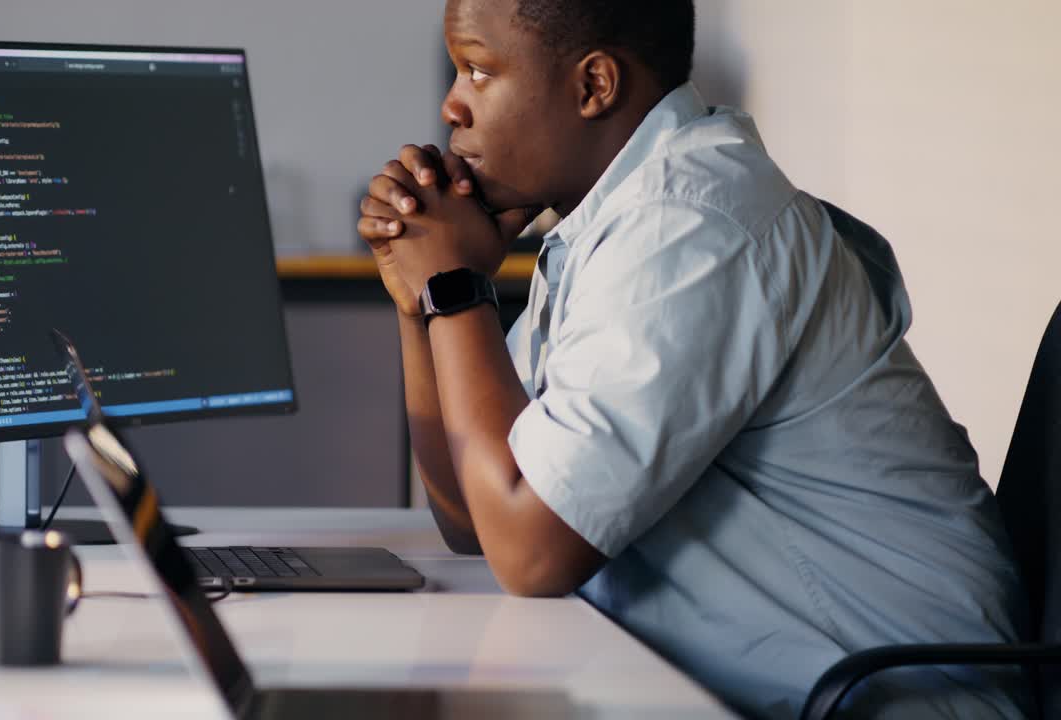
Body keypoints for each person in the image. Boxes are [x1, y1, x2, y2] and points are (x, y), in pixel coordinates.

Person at [355, 0, 1033, 718]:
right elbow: (473, 516)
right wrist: (421, 296)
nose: (451, 103)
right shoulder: (610, 226)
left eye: (479, 70)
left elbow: (529, 551)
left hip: (900, 701)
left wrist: (453, 288)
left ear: (594, 86)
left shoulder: (689, 224)